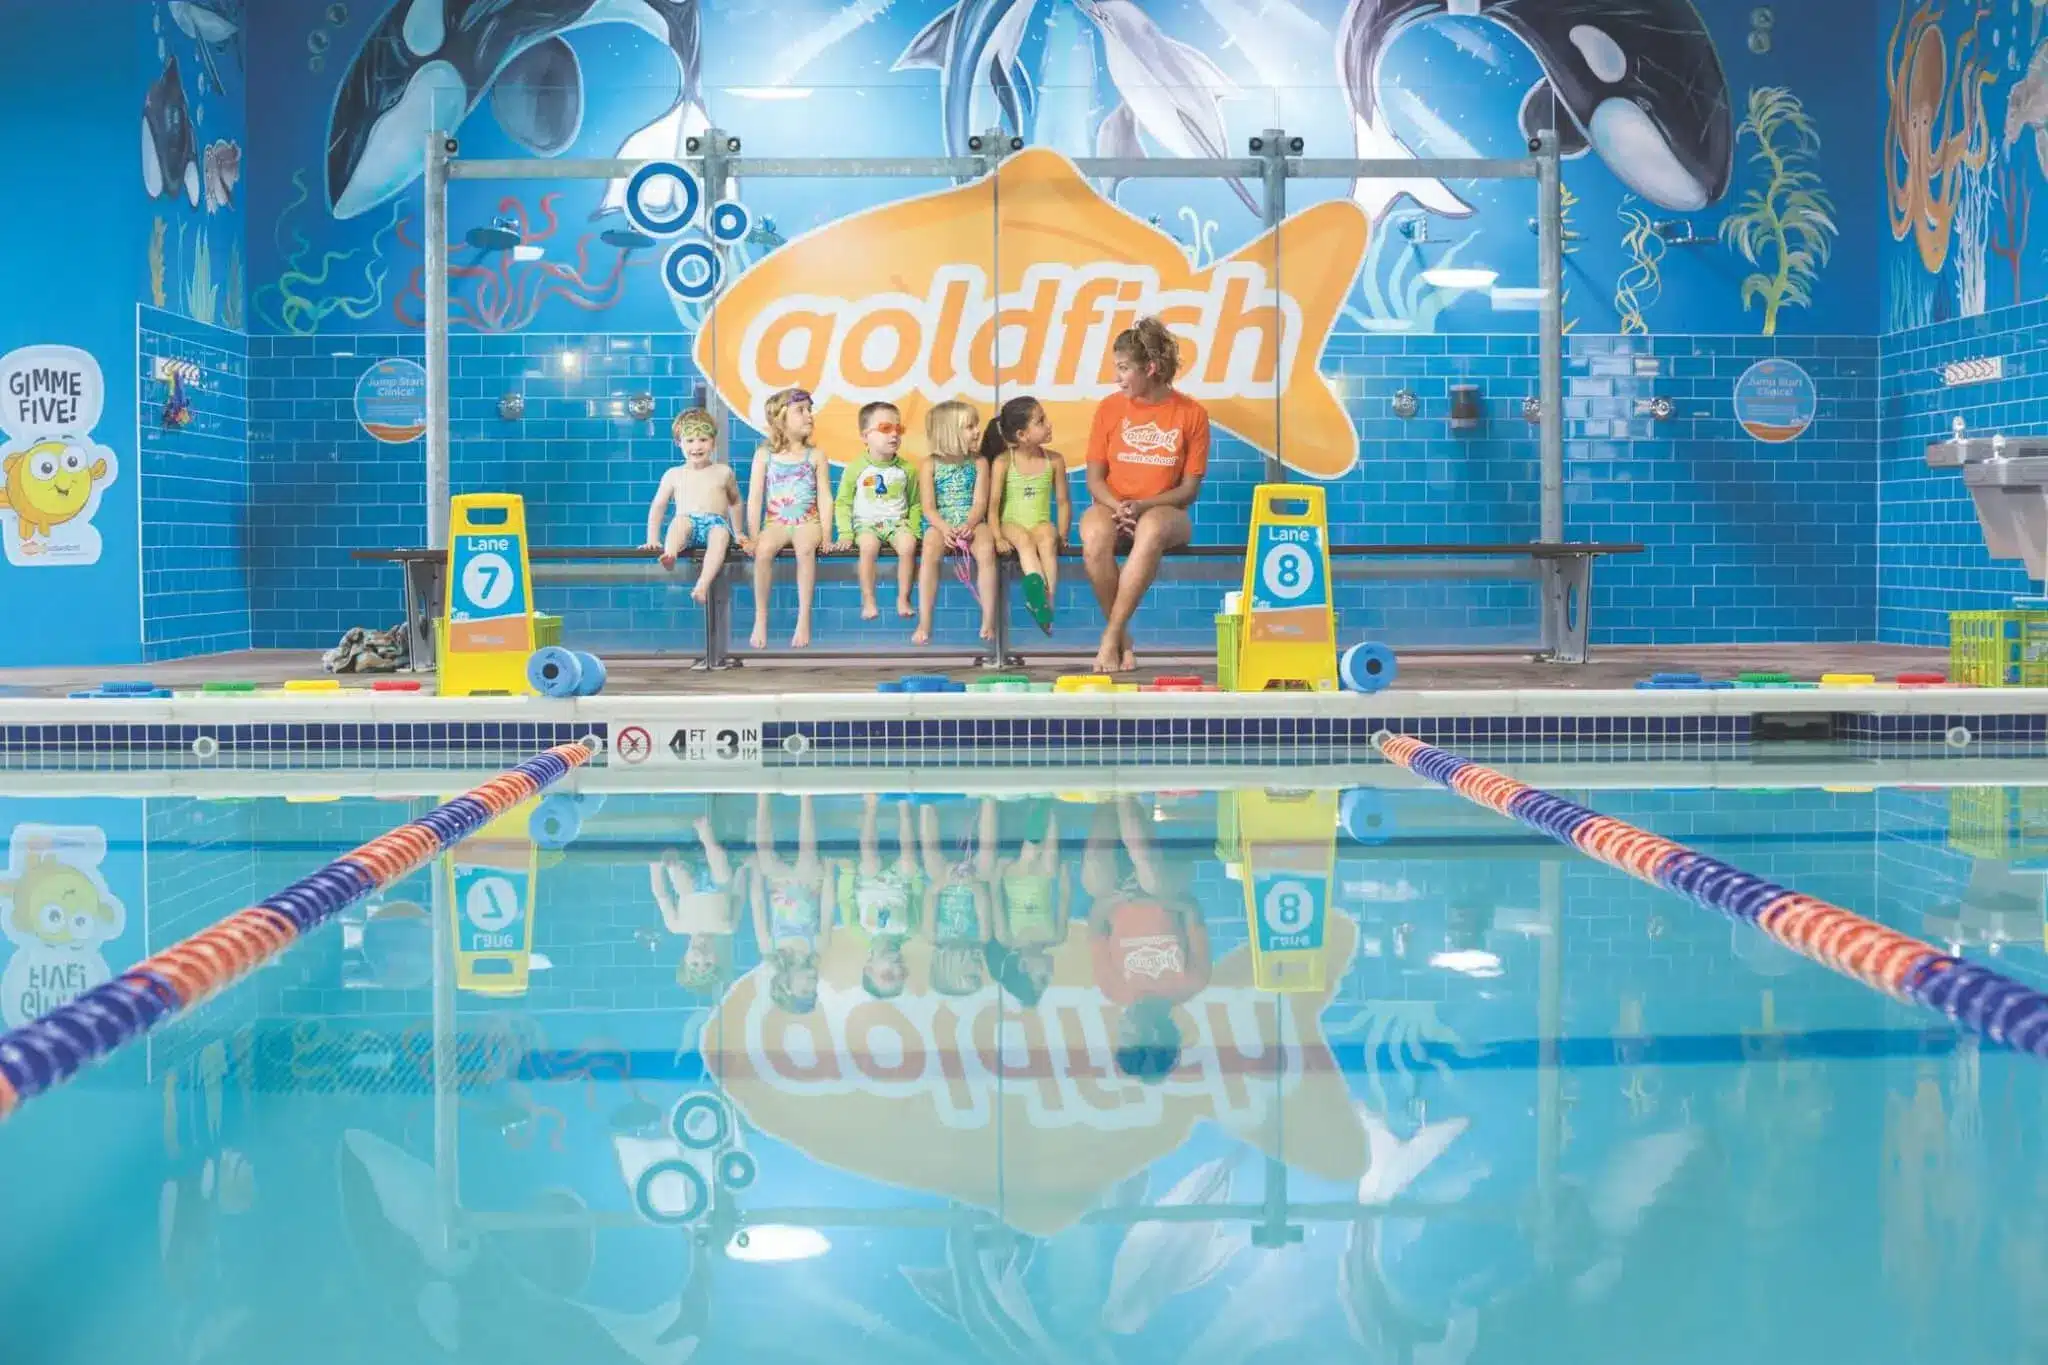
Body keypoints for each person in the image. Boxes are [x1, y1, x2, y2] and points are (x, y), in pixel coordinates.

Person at [1080, 317, 1210, 673]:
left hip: (1167, 513)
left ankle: (1110, 639)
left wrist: (1141, 507)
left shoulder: (1191, 414)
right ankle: (1123, 639)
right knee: (1093, 537)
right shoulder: (1109, 408)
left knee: (1151, 527)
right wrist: (1119, 506)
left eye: (1123, 369)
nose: (1117, 378)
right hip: (1111, 505)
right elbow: (1094, 480)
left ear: (1149, 368)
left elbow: (1188, 491)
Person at [1082, 796, 1209, 1083]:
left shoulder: (1113, 989)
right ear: (1151, 1035)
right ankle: (1128, 788)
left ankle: (1108, 794)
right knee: (1148, 869)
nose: (1121, 1026)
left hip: (1118, 895)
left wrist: (1120, 897)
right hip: (1166, 887)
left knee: (1095, 877)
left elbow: (1095, 922)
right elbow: (1190, 908)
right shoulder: (1192, 981)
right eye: (1126, 1034)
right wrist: (1148, 896)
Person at [743, 387, 833, 649]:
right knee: (764, 551)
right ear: (780, 419)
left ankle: (804, 618)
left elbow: (825, 498)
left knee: (805, 549)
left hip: (808, 521)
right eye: (800, 411)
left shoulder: (815, 455)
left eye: (809, 410)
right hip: (776, 522)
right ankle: (761, 618)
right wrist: (752, 536)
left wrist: (827, 535)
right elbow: (755, 497)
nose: (809, 416)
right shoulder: (764, 455)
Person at [915, 400, 998, 645]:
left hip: (971, 520)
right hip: (941, 523)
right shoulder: (929, 464)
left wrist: (970, 524)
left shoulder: (979, 463)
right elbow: (928, 507)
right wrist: (944, 528)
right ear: (950, 433)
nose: (977, 431)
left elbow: (980, 503)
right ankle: (925, 621)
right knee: (930, 551)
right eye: (970, 426)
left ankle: (989, 618)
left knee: (986, 550)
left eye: (976, 425)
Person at [986, 396, 1071, 634]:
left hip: (1039, 523)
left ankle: (1045, 603)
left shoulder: (1054, 460)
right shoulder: (1004, 462)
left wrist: (1062, 534)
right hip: (1010, 524)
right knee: (1023, 541)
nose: (1049, 424)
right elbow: (992, 506)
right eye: (1041, 421)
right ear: (1022, 435)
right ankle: (1037, 592)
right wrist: (997, 537)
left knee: (1047, 537)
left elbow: (1063, 502)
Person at [643, 407, 748, 602]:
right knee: (679, 523)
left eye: (703, 440)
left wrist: (739, 531)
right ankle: (670, 553)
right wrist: (652, 538)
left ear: (713, 443)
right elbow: (658, 506)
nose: (696, 446)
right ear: (679, 443)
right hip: (688, 520)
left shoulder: (723, 472)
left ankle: (702, 585)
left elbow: (735, 502)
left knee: (720, 535)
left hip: (716, 522)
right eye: (690, 441)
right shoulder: (673, 474)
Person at [833, 401, 921, 621]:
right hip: (866, 524)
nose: (894, 434)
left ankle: (903, 597)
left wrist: (914, 528)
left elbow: (915, 503)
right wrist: (845, 532)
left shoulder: (907, 469)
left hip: (897, 523)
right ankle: (869, 599)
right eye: (885, 429)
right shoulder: (856, 468)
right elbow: (843, 502)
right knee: (868, 547)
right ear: (865, 436)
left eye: (898, 429)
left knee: (908, 545)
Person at [749, 793, 834, 1014]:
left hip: (778, 884)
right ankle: (806, 797)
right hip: (809, 886)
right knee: (808, 859)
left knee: (765, 858)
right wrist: (829, 875)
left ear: (786, 986)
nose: (813, 986)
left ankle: (762, 797)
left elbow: (758, 906)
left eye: (805, 991)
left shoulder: (770, 948)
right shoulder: (818, 949)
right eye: (814, 991)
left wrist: (757, 872)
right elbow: (827, 909)